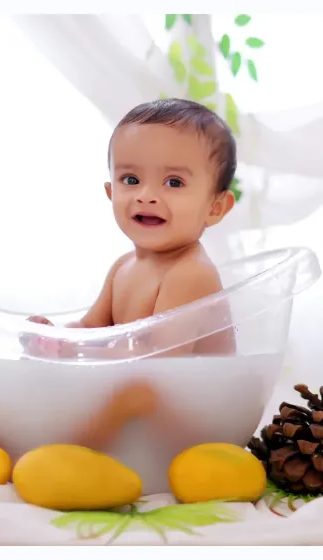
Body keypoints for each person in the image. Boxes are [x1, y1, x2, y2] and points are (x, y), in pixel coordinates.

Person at [25, 98, 237, 449]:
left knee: (136, 393)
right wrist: (57, 337)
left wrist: (76, 353)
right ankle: (40, 441)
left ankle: (76, 455)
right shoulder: (123, 267)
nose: (146, 196)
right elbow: (93, 329)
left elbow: (156, 361)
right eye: (131, 179)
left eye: (173, 182)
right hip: (144, 398)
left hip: (200, 420)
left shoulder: (190, 273)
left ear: (215, 207)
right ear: (110, 193)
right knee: (52, 379)